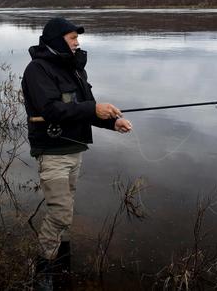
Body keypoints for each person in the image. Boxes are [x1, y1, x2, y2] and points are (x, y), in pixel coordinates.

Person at [21, 17, 132, 283]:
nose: (77, 42)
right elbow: (50, 109)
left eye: (76, 38)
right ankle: (44, 271)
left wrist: (112, 122)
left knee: (65, 209)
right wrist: (92, 109)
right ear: (59, 40)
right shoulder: (37, 70)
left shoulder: (75, 69)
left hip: (75, 150)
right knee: (60, 212)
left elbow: (86, 108)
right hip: (53, 153)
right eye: (72, 38)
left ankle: (62, 256)